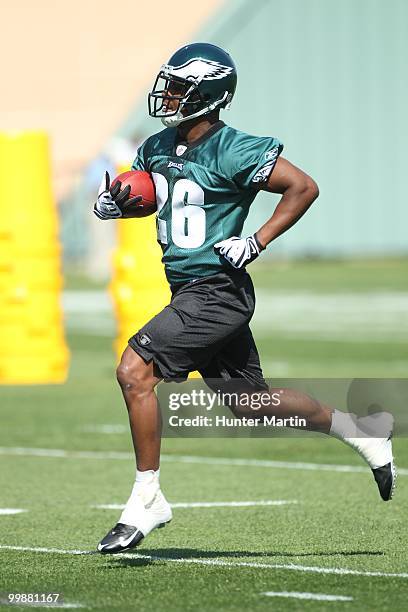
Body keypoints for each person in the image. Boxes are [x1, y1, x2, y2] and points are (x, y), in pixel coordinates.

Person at [93, 42, 396, 555]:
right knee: (250, 404)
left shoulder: (235, 147)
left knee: (134, 370)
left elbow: (303, 186)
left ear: (208, 94)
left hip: (218, 290)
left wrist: (256, 239)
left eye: (179, 86)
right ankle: (362, 431)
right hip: (189, 287)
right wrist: (116, 205)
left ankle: (147, 498)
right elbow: (160, 202)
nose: (166, 94)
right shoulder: (156, 147)